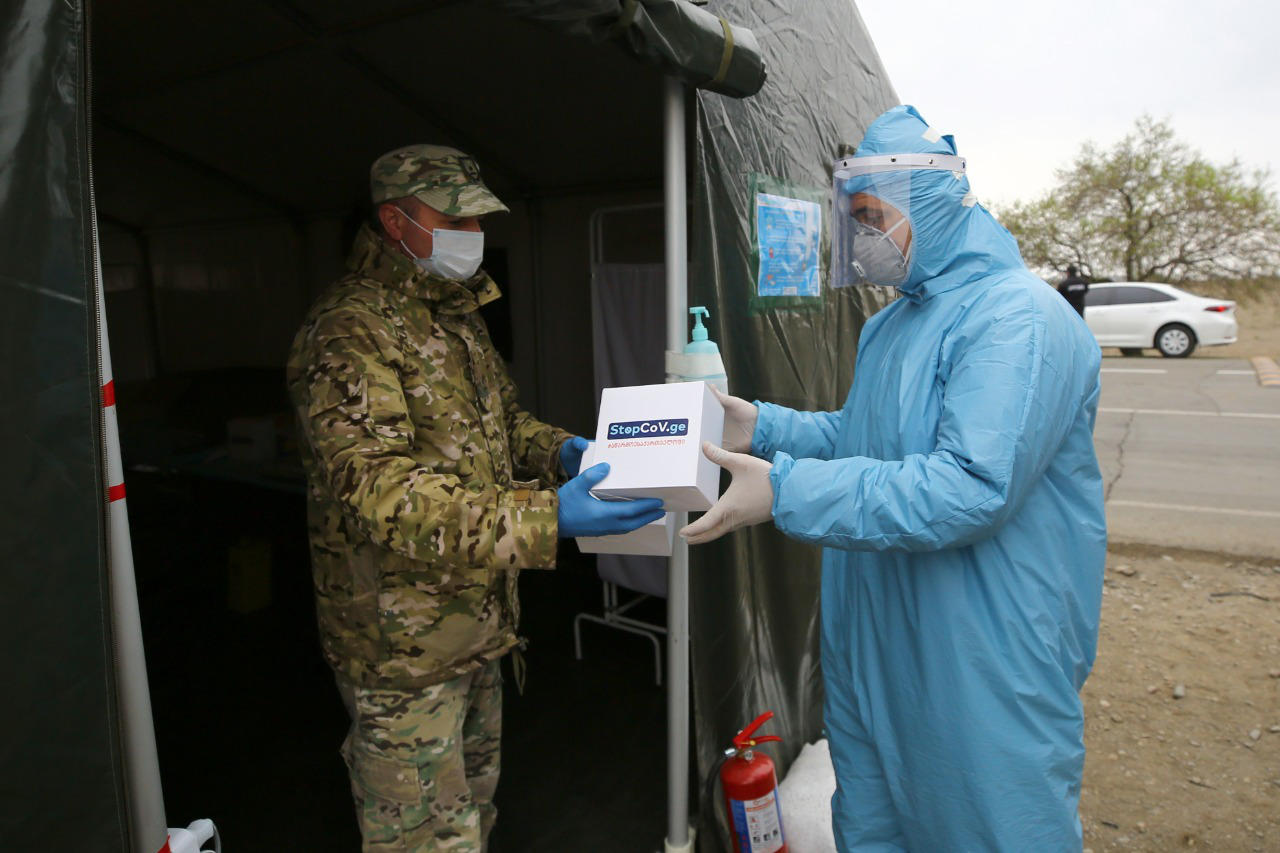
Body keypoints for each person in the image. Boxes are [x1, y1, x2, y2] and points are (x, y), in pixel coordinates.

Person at [682, 106, 1105, 851]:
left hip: (980, 652)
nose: (860, 238)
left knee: (991, 828)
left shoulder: (1019, 321)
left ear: (931, 206)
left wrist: (785, 491)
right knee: (876, 822)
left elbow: (969, 485)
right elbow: (866, 437)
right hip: (879, 638)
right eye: (852, 218)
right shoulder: (893, 324)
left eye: (873, 216)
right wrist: (764, 426)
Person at [286, 144, 663, 852]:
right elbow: (383, 491)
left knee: (472, 815)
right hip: (402, 650)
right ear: (396, 223)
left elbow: (501, 422)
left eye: (476, 218)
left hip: (477, 625)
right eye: (452, 218)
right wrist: (549, 515)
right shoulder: (349, 330)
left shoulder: (454, 314)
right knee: (423, 838)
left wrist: (559, 449)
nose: (472, 234)